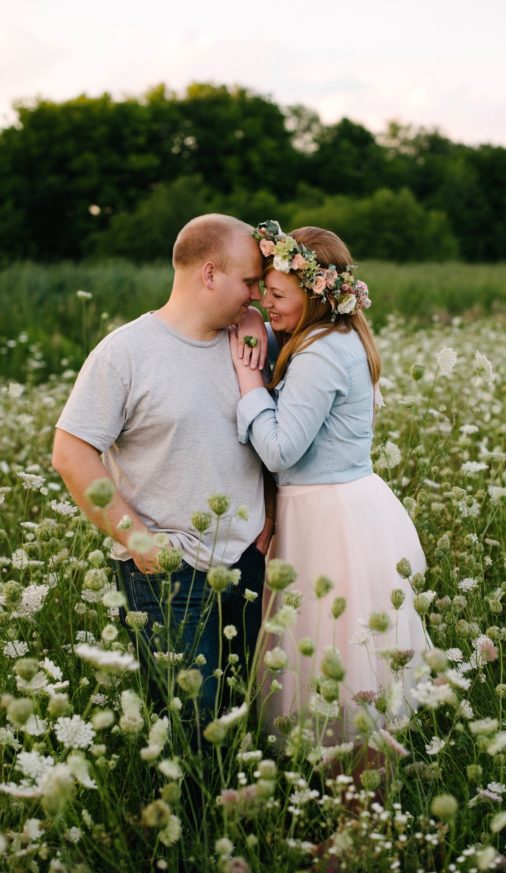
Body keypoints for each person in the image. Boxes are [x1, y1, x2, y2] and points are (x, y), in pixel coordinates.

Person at [52, 213, 274, 721]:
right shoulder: (126, 352)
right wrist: (137, 540)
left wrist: (267, 529)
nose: (257, 295)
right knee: (194, 730)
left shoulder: (248, 343)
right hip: (170, 575)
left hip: (247, 561)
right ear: (210, 273)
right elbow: (70, 452)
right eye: (249, 281)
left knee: (239, 721)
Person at [229, 220, 429, 740]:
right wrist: (259, 323)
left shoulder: (318, 353)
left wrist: (249, 384)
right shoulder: (336, 338)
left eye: (276, 294)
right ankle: (346, 791)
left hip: (327, 517)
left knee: (337, 659)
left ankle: (359, 801)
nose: (267, 303)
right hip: (344, 505)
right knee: (338, 657)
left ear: (315, 296)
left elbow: (279, 450)